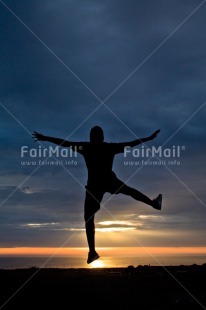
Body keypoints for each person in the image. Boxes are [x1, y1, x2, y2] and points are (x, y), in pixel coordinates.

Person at [32, 126, 162, 264]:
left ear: (91, 137)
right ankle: (153, 204)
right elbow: (131, 144)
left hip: (94, 186)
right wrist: (147, 139)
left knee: (89, 218)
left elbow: (65, 143)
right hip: (109, 181)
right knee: (129, 191)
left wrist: (46, 138)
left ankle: (92, 252)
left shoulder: (86, 147)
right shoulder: (109, 147)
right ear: (102, 137)